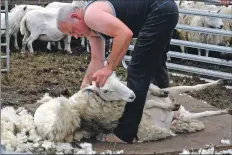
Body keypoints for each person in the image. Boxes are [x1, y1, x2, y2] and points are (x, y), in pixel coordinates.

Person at [56, 0, 230, 144]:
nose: (77, 36)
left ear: (75, 16)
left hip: (159, 9)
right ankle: (170, 110)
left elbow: (124, 33)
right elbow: (96, 60)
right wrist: (85, 83)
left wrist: (109, 68)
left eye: (73, 31)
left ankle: (125, 133)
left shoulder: (91, 15)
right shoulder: (93, 29)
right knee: (153, 62)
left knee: (137, 69)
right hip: (164, 10)